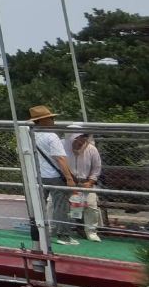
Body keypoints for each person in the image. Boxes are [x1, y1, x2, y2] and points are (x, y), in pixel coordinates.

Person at [29, 104, 76, 242]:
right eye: (50, 118)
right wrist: (69, 178)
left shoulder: (30, 135)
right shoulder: (51, 136)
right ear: (43, 120)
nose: (53, 121)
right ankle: (63, 235)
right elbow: (60, 158)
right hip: (55, 176)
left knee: (39, 206)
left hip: (38, 176)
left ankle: (39, 233)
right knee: (61, 206)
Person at [66, 129, 103, 242]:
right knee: (53, 202)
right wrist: (68, 180)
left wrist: (91, 182)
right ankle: (55, 228)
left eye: (83, 139)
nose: (80, 142)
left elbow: (97, 168)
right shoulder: (65, 149)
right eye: (78, 139)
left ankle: (91, 232)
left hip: (86, 182)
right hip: (67, 182)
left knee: (91, 206)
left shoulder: (92, 149)